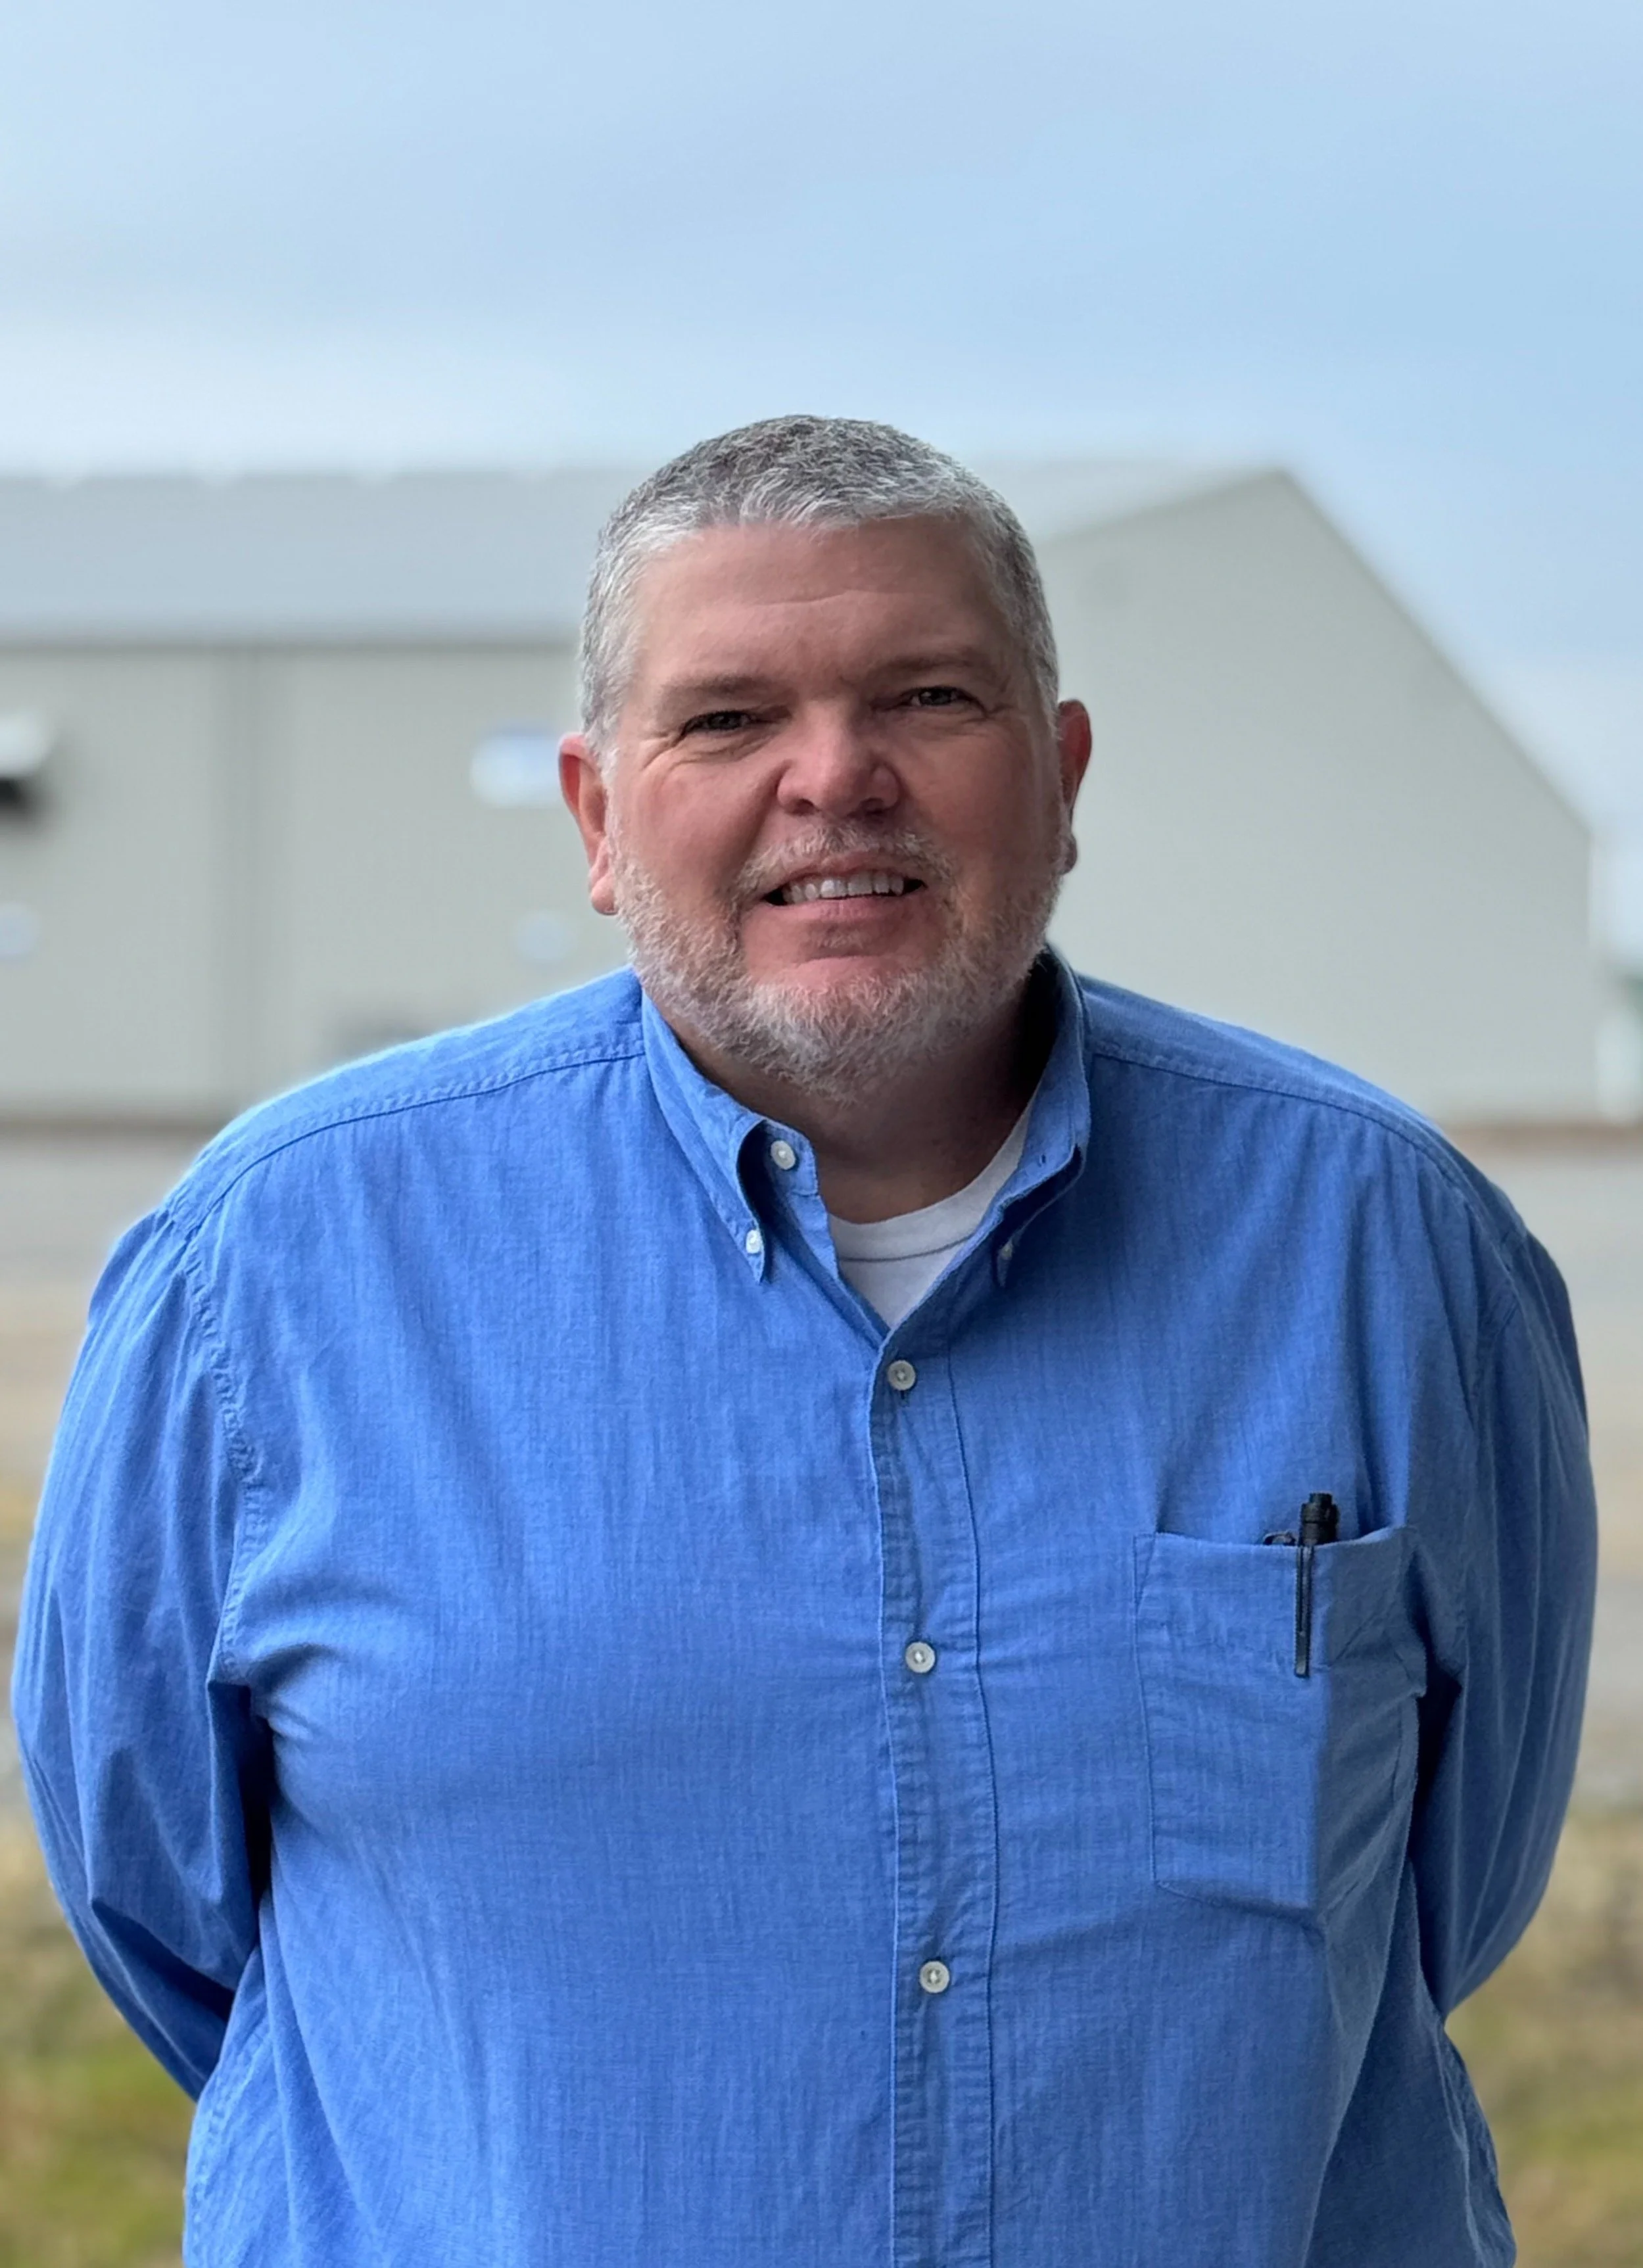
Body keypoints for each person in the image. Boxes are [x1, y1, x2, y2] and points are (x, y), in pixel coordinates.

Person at [14, 415, 1596, 2268]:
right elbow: (160, 1906)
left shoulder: (1385, 1247)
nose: (835, 780)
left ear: (1065, 776)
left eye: (929, 696)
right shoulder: (265, 1273)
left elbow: (1446, 1897)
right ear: (600, 816)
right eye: (728, 718)